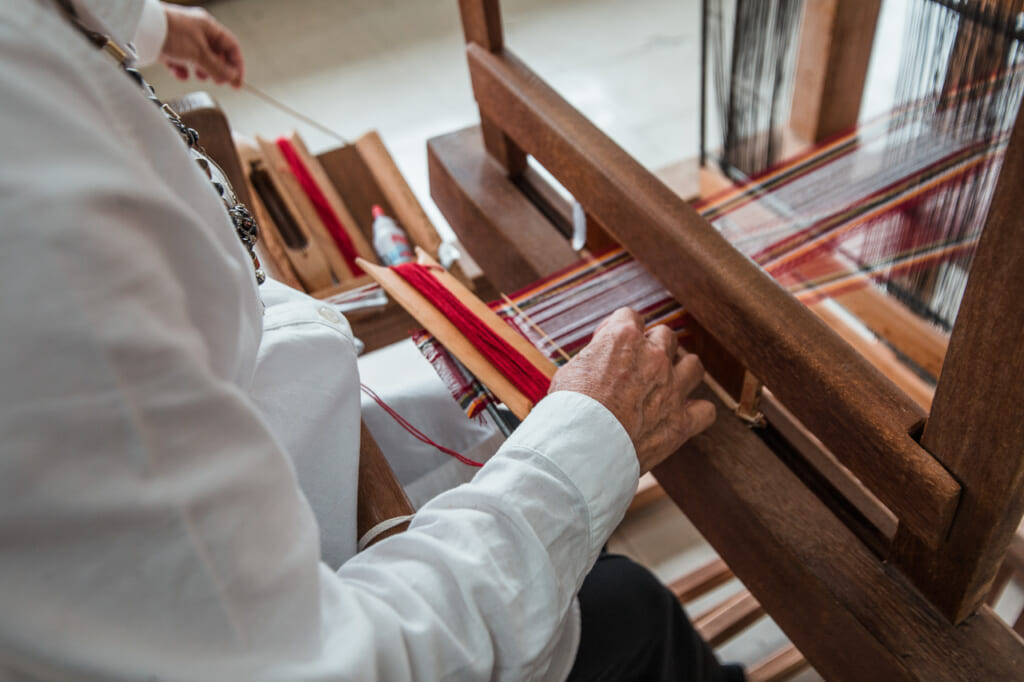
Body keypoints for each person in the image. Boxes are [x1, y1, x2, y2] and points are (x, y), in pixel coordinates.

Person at [0, 1, 744, 680]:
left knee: (492, 444)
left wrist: (139, 22)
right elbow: (331, 666)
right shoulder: (39, 234)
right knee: (629, 604)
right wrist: (587, 449)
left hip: (243, 470)